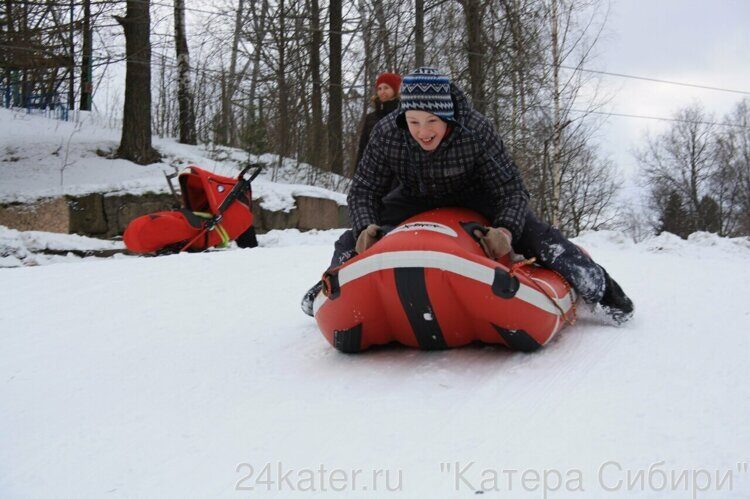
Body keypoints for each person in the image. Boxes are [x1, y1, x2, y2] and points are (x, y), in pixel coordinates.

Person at [303, 67, 633, 325]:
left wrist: (504, 230)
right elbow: (365, 189)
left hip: (475, 194)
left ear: (447, 117)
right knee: (349, 240)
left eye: (432, 121)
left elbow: (511, 190)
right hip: (415, 194)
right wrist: (365, 227)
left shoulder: (475, 130)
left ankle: (602, 290)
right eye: (414, 121)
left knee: (539, 237)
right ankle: (330, 287)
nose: (422, 131)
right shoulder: (388, 132)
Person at [355, 72, 402, 167]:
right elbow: (362, 147)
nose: (382, 91)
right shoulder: (370, 117)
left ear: (395, 90)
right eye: (379, 88)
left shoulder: (402, 115)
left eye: (386, 88)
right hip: (371, 170)